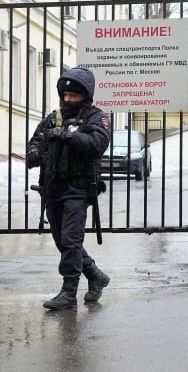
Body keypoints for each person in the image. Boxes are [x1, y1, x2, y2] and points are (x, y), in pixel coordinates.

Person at [26, 67, 111, 310]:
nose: (67, 99)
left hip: (79, 187)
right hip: (53, 186)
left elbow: (97, 144)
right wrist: (34, 152)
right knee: (62, 240)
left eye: (73, 95)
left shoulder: (97, 117)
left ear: (85, 95)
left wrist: (67, 136)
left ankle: (69, 292)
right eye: (65, 95)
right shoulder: (54, 117)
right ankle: (95, 275)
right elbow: (36, 140)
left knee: (71, 239)